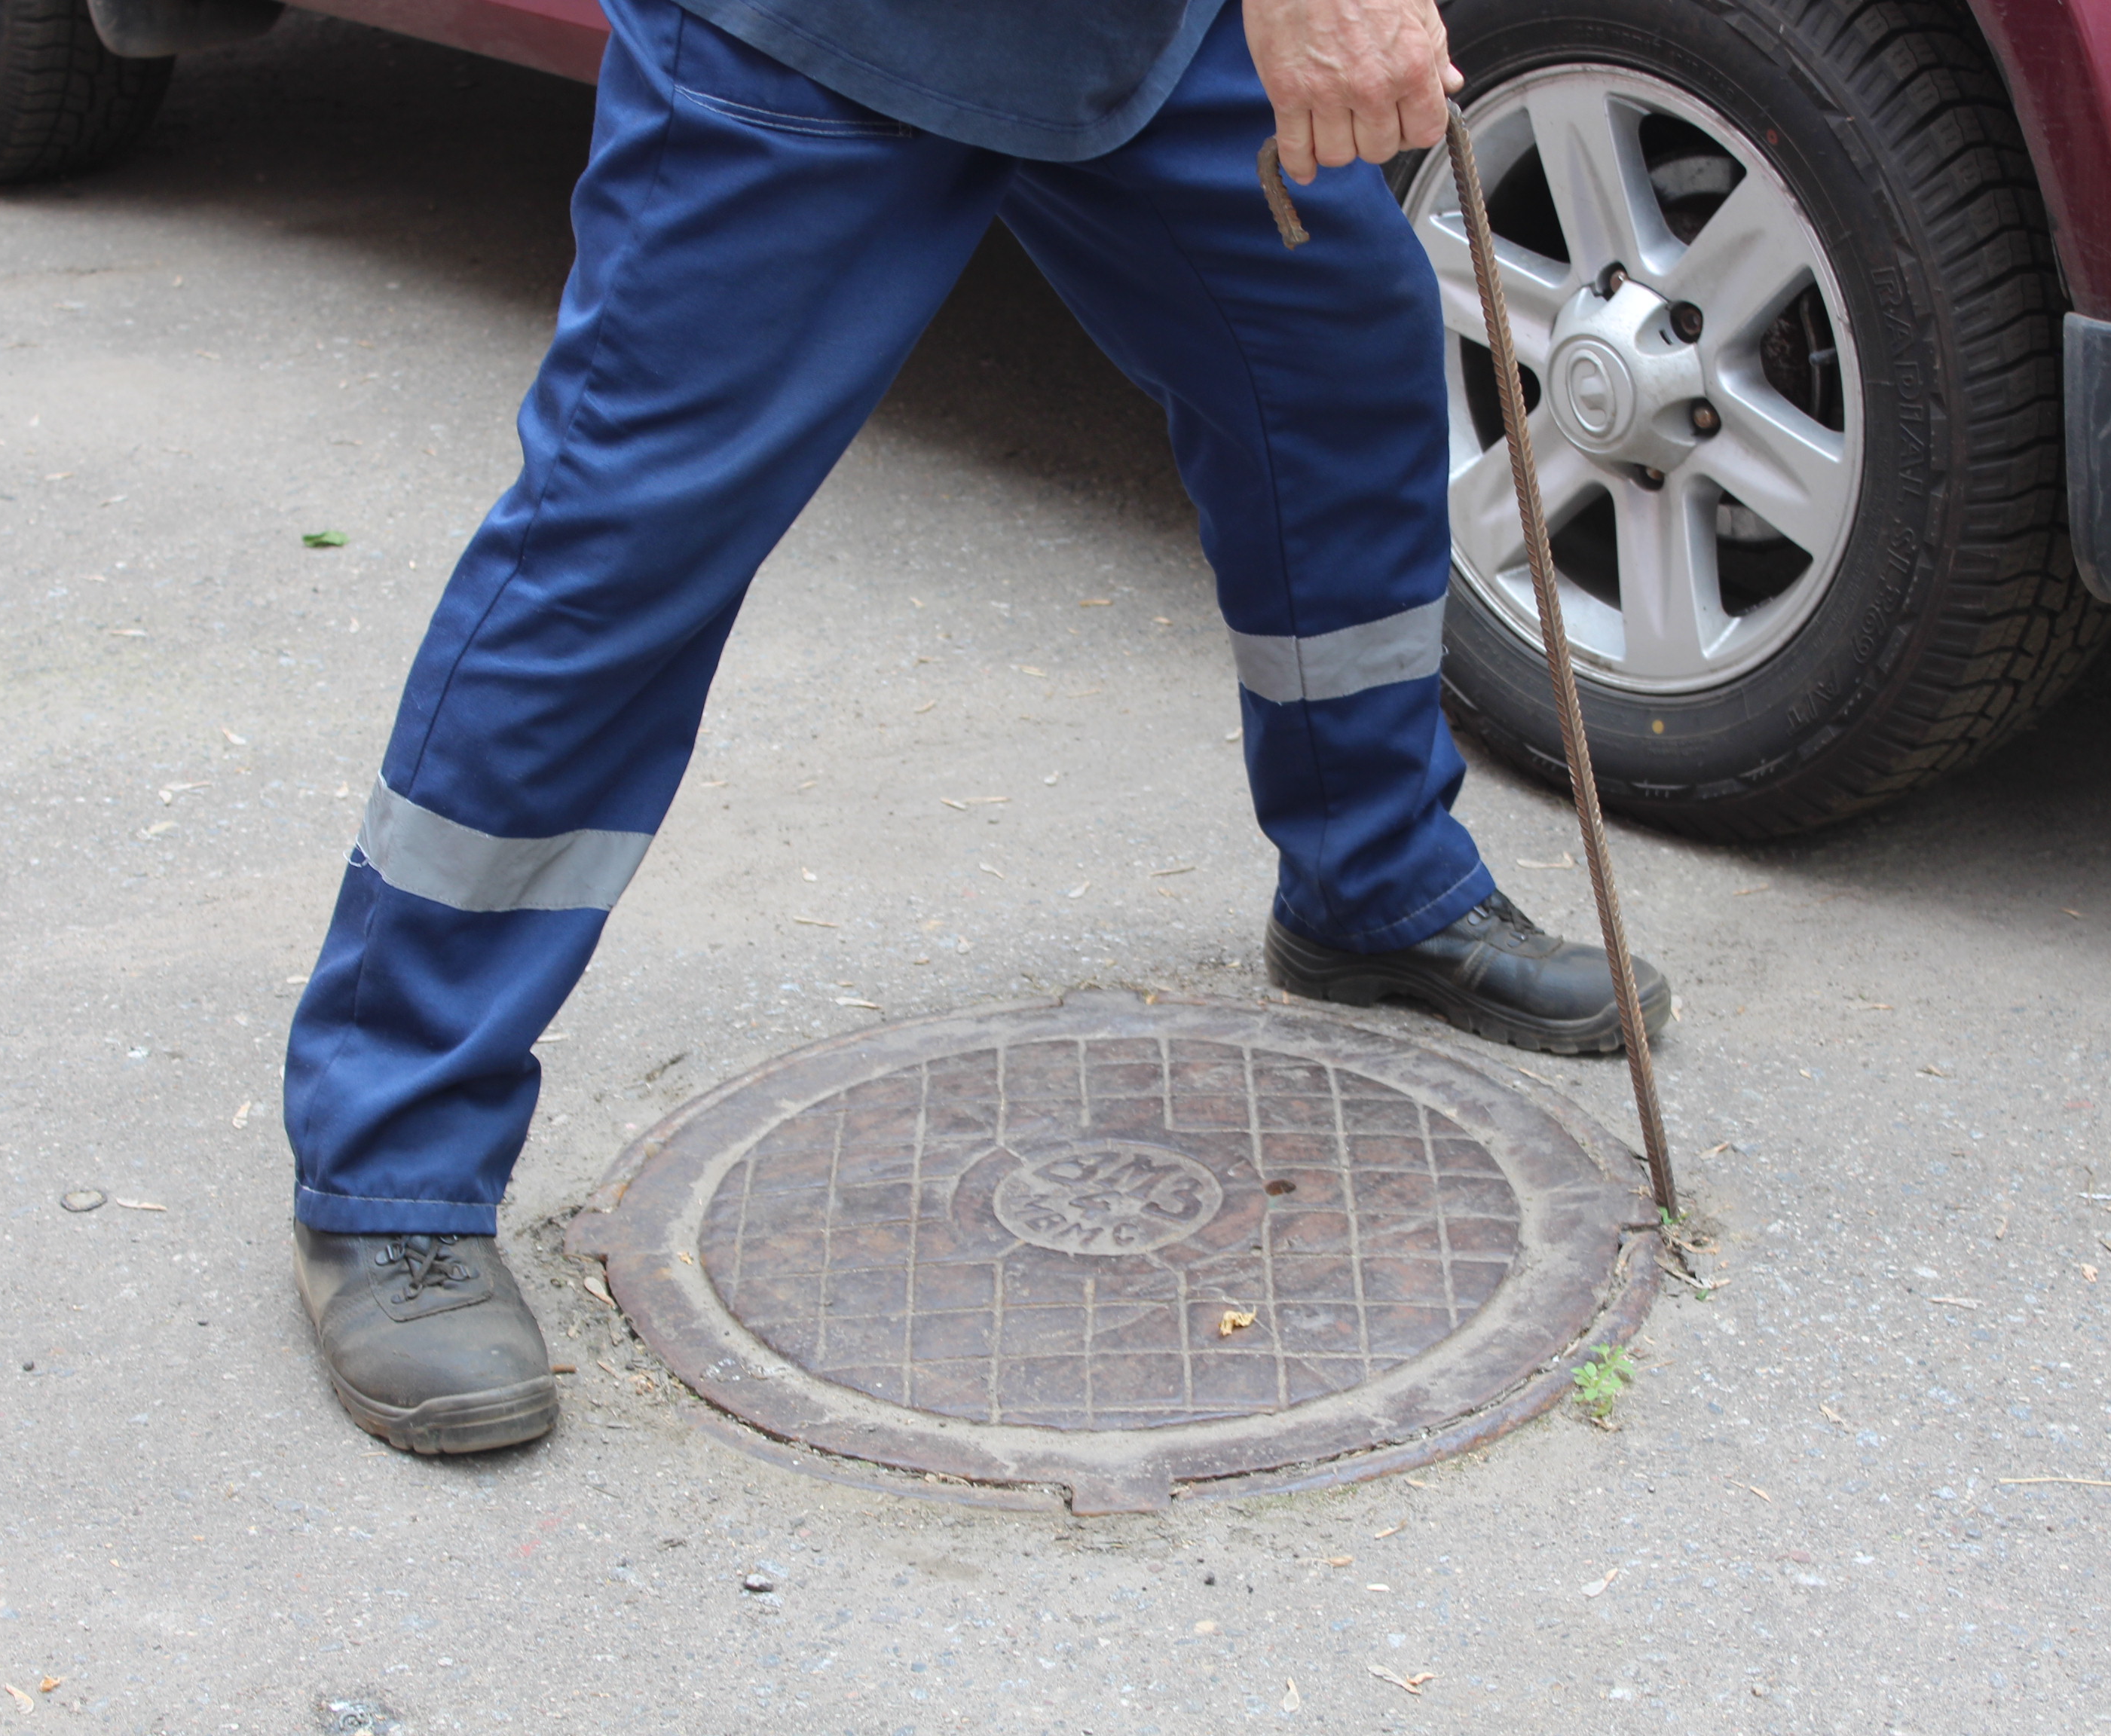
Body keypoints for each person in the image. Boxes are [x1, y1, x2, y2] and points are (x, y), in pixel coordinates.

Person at [283, 0, 1674, 1454]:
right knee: (630, 536)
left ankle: (1373, 882)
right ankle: (394, 1171)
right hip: (821, 33)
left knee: (1335, 349)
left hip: (1128, 38)